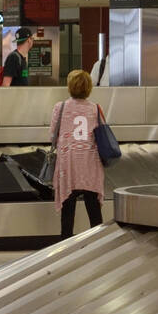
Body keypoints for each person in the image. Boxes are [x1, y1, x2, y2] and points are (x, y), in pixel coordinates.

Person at [50, 70, 105, 239]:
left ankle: (65, 243)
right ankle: (98, 243)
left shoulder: (61, 107)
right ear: (89, 87)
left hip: (68, 165)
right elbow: (103, 135)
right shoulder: (95, 108)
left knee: (68, 209)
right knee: (93, 209)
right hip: (90, 164)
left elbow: (52, 135)